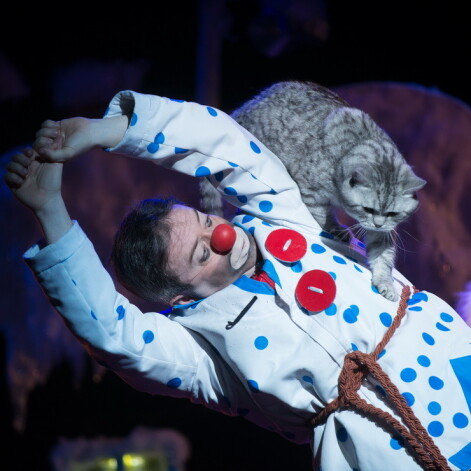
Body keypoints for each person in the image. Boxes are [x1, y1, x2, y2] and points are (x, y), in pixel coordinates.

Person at [5, 90, 471, 471]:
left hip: (454, 365)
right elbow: (111, 333)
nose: (224, 236)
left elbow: (223, 143)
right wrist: (51, 210)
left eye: (207, 222)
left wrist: (104, 130)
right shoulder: (209, 357)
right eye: (202, 254)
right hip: (389, 455)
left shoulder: (283, 215)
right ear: (181, 296)